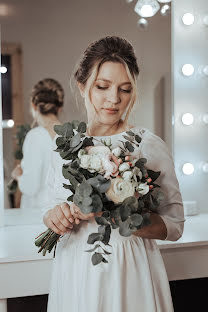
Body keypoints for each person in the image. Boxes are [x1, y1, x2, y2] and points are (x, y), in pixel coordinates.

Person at [43, 36, 185, 312]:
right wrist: (54, 217)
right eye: (102, 86)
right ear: (82, 86)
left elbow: (174, 225)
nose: (114, 99)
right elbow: (51, 210)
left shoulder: (147, 144)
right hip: (74, 268)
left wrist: (113, 210)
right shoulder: (62, 146)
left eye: (125, 89)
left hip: (128, 269)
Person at [11, 78, 64, 215]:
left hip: (38, 214)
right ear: (60, 107)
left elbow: (30, 187)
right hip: (64, 215)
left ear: (34, 105)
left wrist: (18, 176)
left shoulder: (35, 136)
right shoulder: (72, 134)